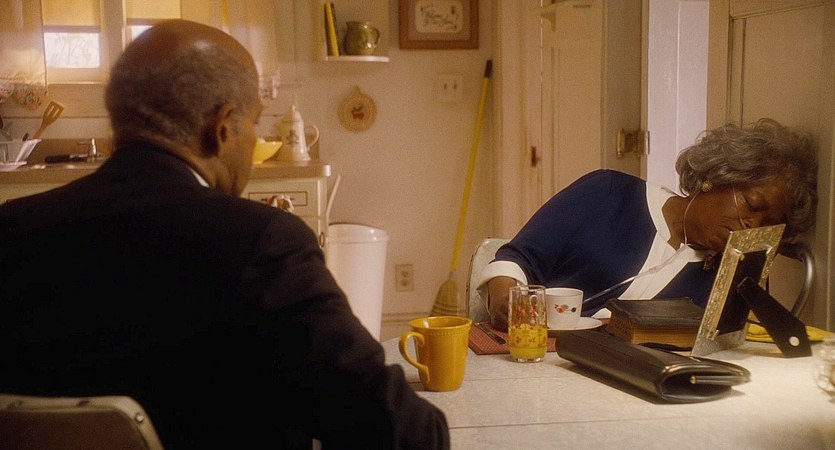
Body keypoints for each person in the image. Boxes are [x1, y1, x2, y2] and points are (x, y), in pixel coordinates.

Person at [0, 20, 449, 449]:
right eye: (254, 123)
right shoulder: (262, 243)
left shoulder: (11, 230)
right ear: (222, 128)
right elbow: (400, 432)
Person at [480, 118, 817, 331]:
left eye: (767, 224)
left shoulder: (736, 270)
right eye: (753, 205)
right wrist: (506, 300)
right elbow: (517, 259)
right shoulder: (606, 193)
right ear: (715, 177)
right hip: (535, 361)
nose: (752, 226)